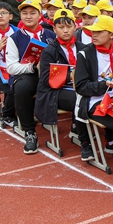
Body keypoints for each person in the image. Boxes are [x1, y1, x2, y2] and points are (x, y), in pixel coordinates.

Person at [73, 15, 113, 172]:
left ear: (111, 35)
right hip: (96, 101)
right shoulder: (85, 54)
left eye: (99, 32)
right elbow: (81, 86)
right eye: (92, 32)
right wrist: (103, 85)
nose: (93, 35)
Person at [35, 8, 91, 160]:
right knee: (80, 99)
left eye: (69, 26)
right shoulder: (49, 51)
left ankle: (83, 129)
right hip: (55, 92)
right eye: (61, 27)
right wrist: (73, 76)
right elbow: (47, 78)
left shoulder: (84, 48)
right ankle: (85, 141)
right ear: (54, 29)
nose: (65, 30)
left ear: (75, 26)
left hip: (78, 88)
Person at [7, 0, 56, 154]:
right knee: (21, 88)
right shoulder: (14, 38)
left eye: (32, 12)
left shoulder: (51, 35)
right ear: (20, 15)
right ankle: (29, 132)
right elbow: (12, 67)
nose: (28, 16)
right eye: (25, 13)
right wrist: (33, 67)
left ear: (40, 15)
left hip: (50, 74)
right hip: (29, 75)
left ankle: (76, 129)